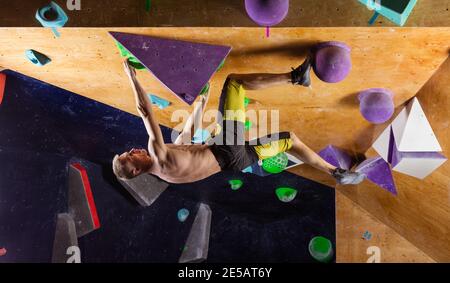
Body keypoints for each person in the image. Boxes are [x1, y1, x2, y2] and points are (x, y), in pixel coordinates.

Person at [112, 59, 365, 185]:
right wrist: (132, 78)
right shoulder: (157, 156)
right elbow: (145, 111)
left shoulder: (166, 173)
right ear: (135, 170)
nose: (133, 150)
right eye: (129, 156)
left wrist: (201, 104)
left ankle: (336, 173)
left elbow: (185, 138)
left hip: (237, 161)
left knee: (290, 140)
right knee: (234, 82)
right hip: (227, 148)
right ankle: (296, 77)